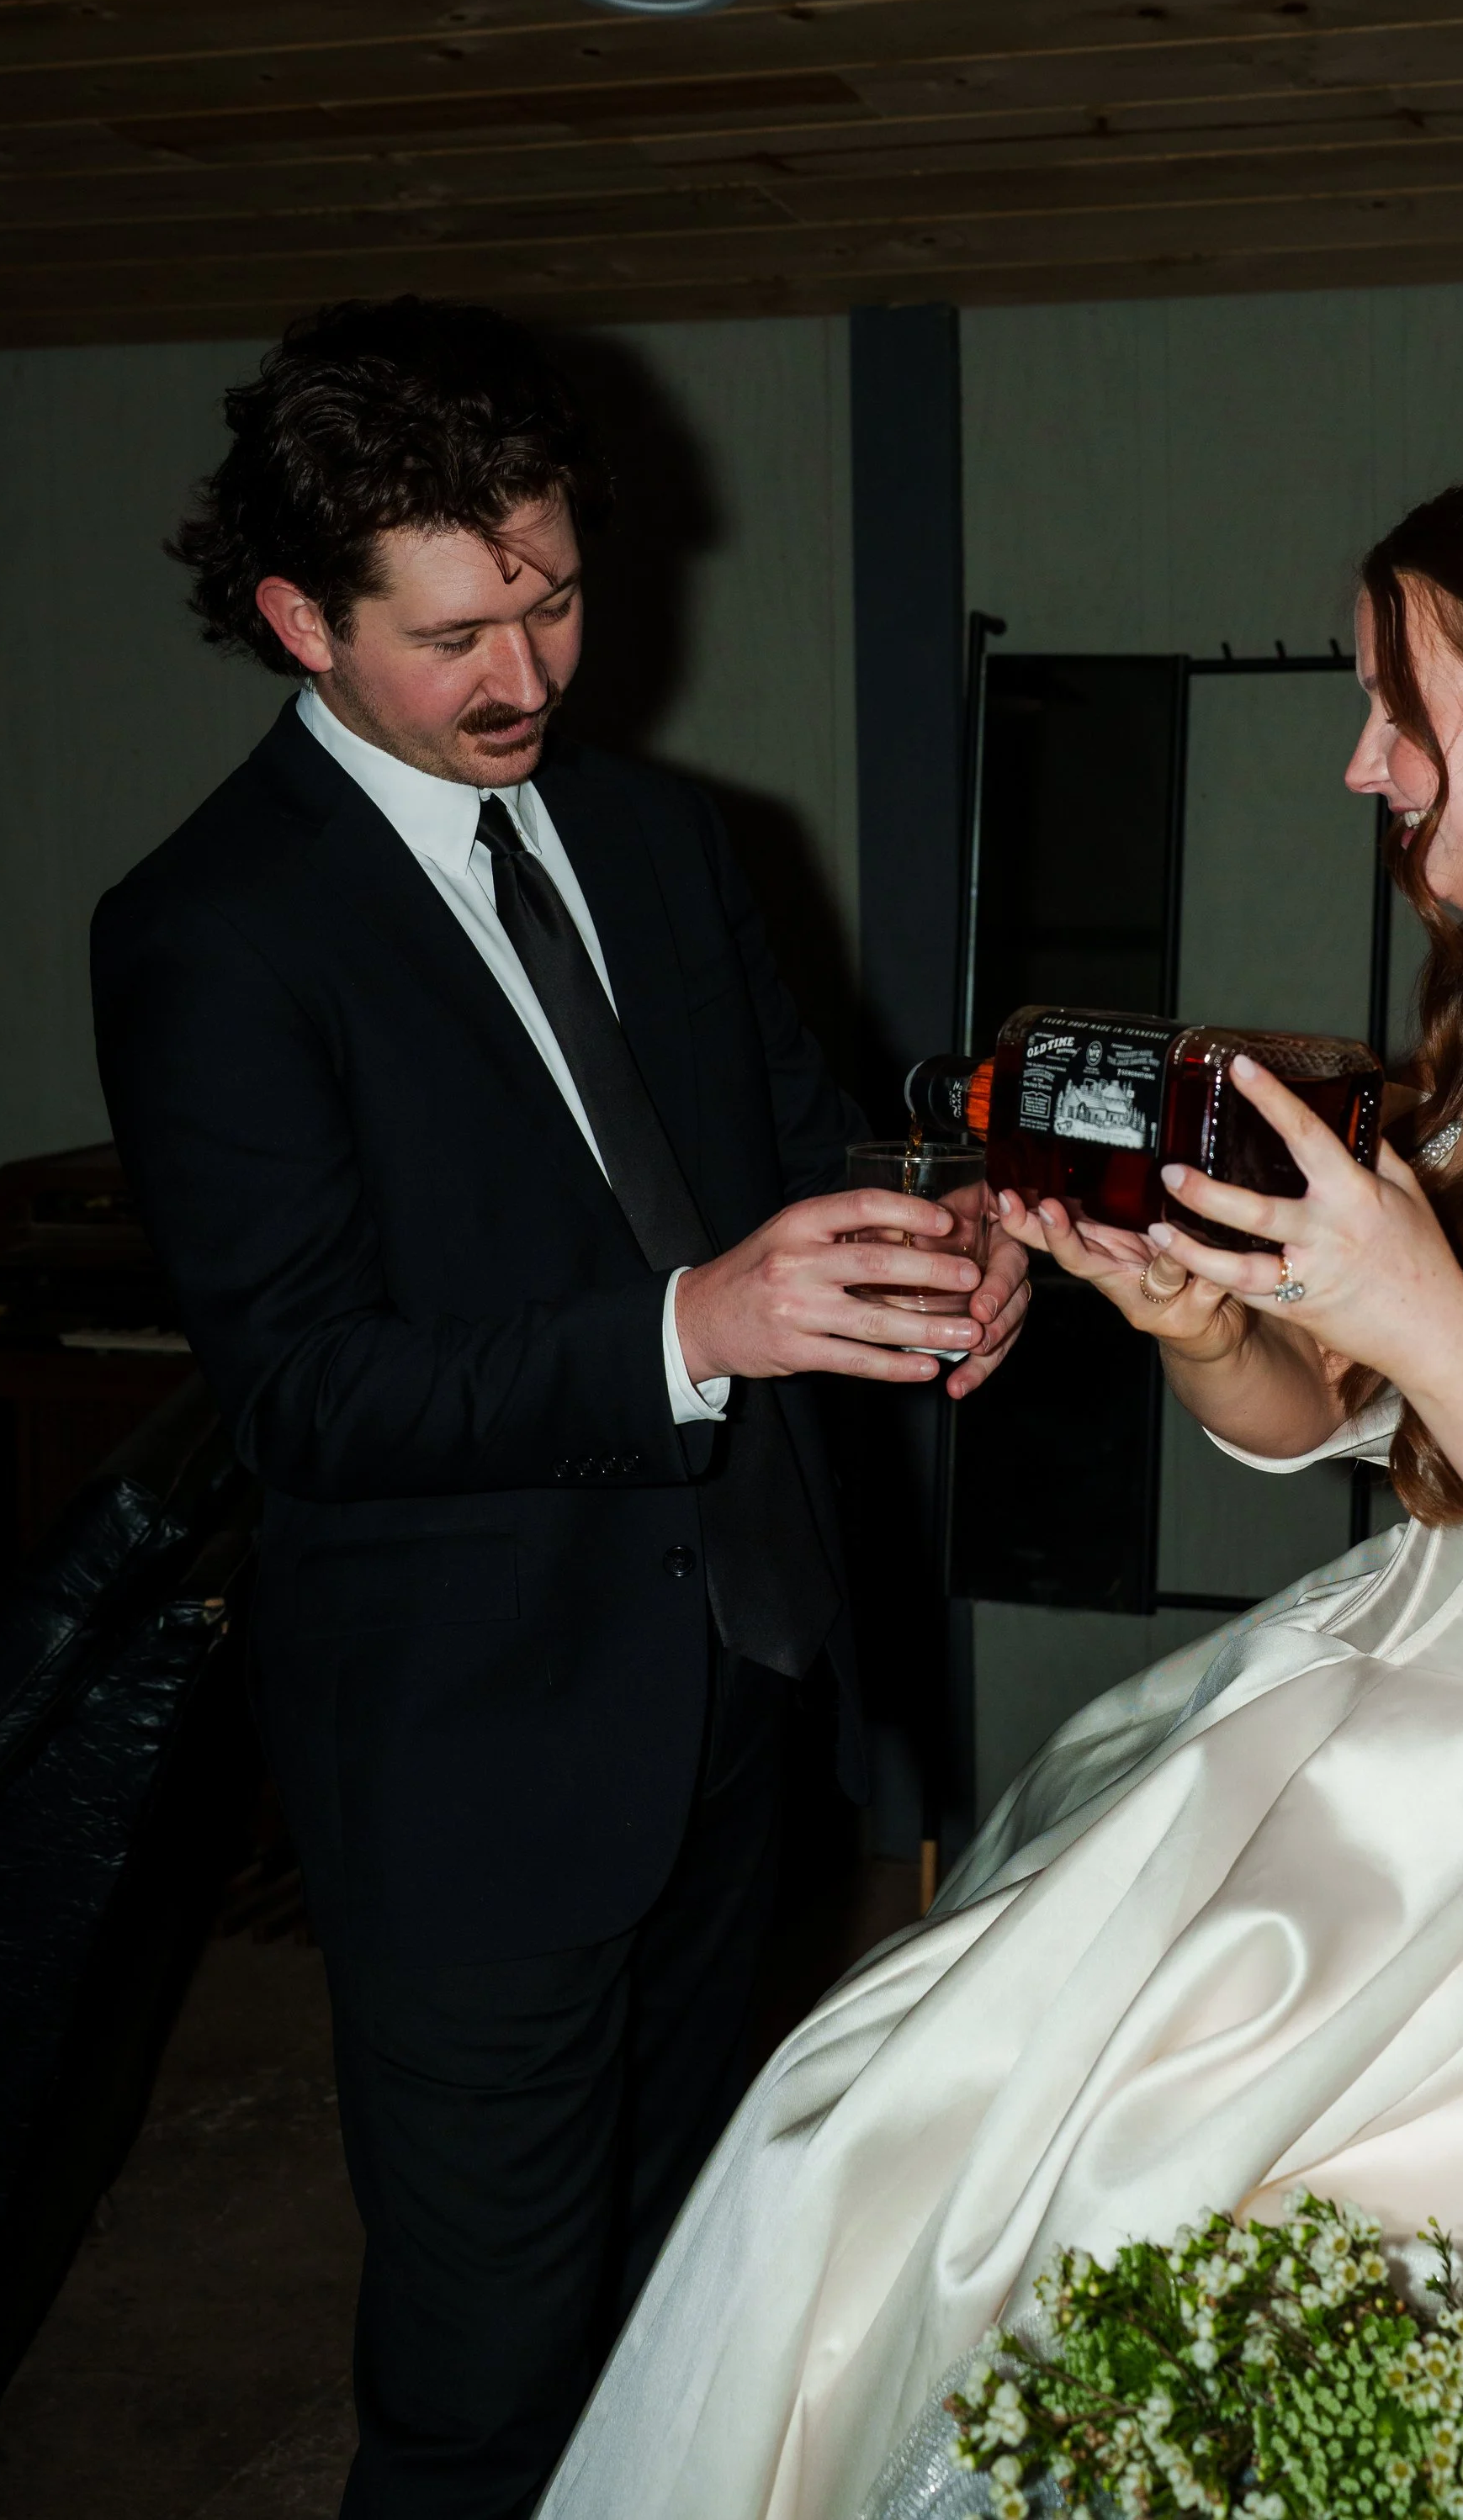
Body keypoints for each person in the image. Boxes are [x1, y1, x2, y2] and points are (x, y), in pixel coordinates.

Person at [531, 444, 1463, 2520]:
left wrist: (1409, 1306)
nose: (1359, 764)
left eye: (1397, 707)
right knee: (860, 2104)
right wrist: (1203, 1319)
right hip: (1412, 1670)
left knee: (988, 2162)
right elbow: (1345, 1418)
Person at [88, 297, 1030, 2520]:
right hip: (473, 1758)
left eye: (559, 597)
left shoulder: (673, 836)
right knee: (482, 2377)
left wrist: (935, 1245)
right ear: (294, 615)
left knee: (691, 2295)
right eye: (452, 636)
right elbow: (304, 1391)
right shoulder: (209, 930)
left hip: (735, 1679)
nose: (527, 675)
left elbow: (795, 1136)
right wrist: (690, 1321)